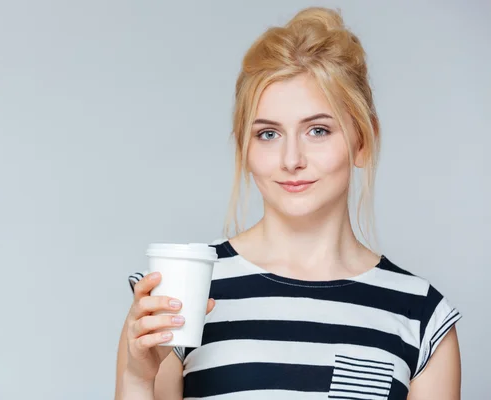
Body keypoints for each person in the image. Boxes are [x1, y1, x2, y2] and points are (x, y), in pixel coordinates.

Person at [115, 6, 462, 400]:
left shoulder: (421, 316)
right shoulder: (182, 294)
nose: (291, 159)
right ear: (244, 148)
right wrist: (136, 377)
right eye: (268, 134)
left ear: (362, 140)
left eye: (318, 130)